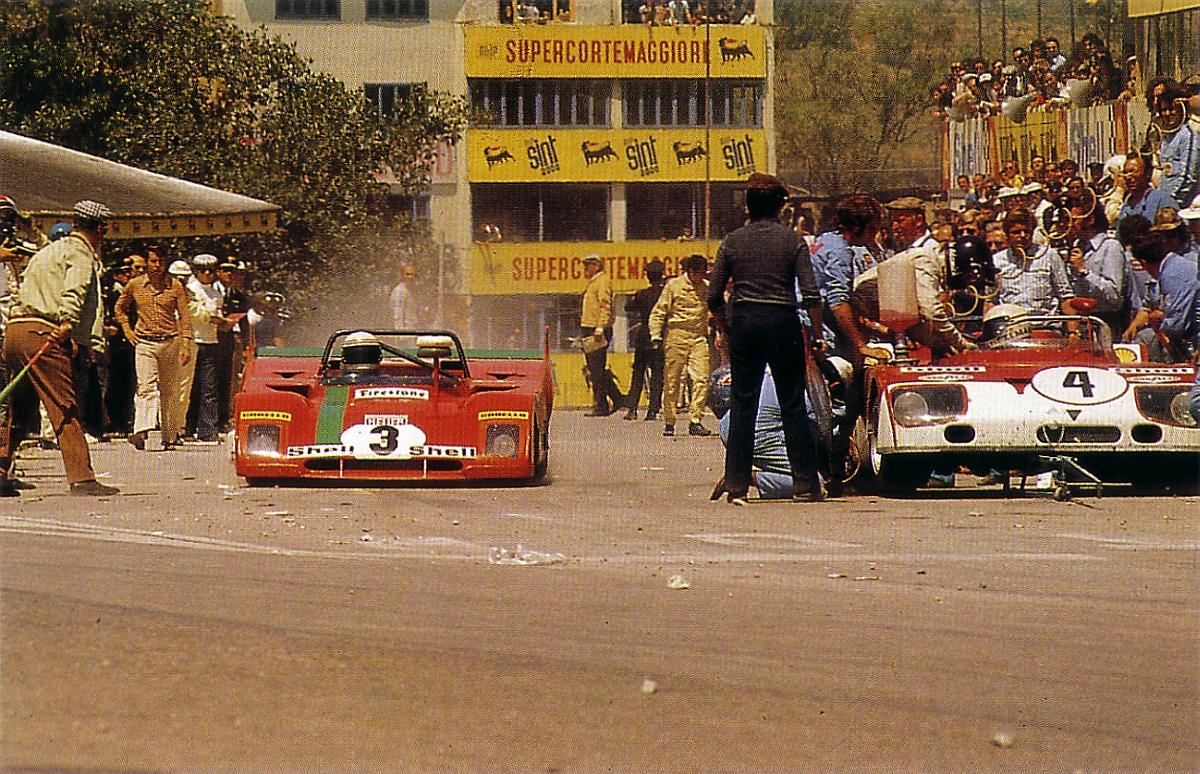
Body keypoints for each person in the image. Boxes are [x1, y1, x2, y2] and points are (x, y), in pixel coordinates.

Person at [706, 172, 827, 504]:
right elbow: (812, 294)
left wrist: (728, 327)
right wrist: (817, 336)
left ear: (748, 206)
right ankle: (805, 483)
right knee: (792, 403)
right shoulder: (792, 241)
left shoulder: (732, 242)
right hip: (782, 322)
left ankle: (736, 485)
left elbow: (714, 296)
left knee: (743, 403)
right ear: (779, 206)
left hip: (744, 323)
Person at [0, 200, 119, 497]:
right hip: (45, 333)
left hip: (16, 330)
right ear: (101, 229)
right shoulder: (80, 253)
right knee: (63, 406)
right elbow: (74, 290)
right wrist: (68, 323)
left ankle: (0, 469)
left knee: (20, 412)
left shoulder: (46, 252)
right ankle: (82, 477)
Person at [115, 248, 193, 451]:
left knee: (170, 390)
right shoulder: (135, 284)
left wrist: (186, 344)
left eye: (161, 261)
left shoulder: (175, 285)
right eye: (153, 261)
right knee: (146, 387)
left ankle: (170, 435)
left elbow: (184, 316)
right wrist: (126, 329)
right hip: (145, 342)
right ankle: (141, 430)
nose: (157, 266)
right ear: (147, 263)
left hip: (170, 341)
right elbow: (120, 307)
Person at [649, 254, 713, 437]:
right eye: (698, 273)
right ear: (690, 271)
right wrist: (655, 336)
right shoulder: (674, 286)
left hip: (698, 337)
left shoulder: (707, 287)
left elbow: (715, 308)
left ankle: (695, 420)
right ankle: (669, 421)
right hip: (676, 335)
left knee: (702, 378)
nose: (700, 276)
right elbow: (659, 312)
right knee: (672, 380)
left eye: (703, 273)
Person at [992, 209, 1073, 317]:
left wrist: (1072, 327)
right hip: (1011, 323)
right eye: (1016, 232)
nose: (1022, 235)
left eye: (1027, 231)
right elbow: (990, 300)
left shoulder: (1049, 256)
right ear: (1007, 235)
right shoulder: (996, 261)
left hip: (1045, 323)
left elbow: (1066, 296)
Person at [1064, 202, 1129, 334]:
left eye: (1074, 220)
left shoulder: (1111, 247)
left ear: (1090, 220)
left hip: (1104, 320)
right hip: (1079, 321)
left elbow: (1114, 296)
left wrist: (1084, 272)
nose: (1069, 225)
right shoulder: (1077, 246)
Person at [185, 254, 229, 443]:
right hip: (192, 341)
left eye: (211, 270)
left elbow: (218, 315)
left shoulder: (217, 294)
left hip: (210, 341)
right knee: (189, 388)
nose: (207, 274)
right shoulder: (190, 290)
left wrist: (223, 322)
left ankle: (208, 430)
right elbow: (192, 312)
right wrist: (211, 318)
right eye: (203, 270)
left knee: (209, 388)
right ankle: (185, 428)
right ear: (196, 271)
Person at [579, 254, 625, 416]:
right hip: (589, 328)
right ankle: (616, 398)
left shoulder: (602, 281)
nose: (585, 269)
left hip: (596, 330)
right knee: (595, 369)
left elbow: (605, 306)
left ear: (596, 266)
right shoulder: (594, 283)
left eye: (588, 265)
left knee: (597, 369)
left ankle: (602, 405)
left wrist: (600, 327)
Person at [623, 259, 666, 421]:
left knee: (638, 373)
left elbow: (628, 307)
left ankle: (632, 408)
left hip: (643, 335)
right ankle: (653, 410)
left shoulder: (642, 294)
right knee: (657, 375)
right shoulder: (665, 294)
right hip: (659, 335)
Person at [1155, 84, 1200, 210]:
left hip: (1183, 208)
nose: (1167, 113)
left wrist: (1171, 202)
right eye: (1164, 110)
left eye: (1171, 109)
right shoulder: (1166, 138)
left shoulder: (1188, 135)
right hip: (1165, 206)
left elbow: (1189, 177)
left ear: (1181, 109)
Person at [1118, 152, 1175, 226]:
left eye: (1133, 171)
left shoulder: (1162, 200)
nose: (1128, 177)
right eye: (1125, 172)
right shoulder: (1127, 206)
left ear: (1147, 173)